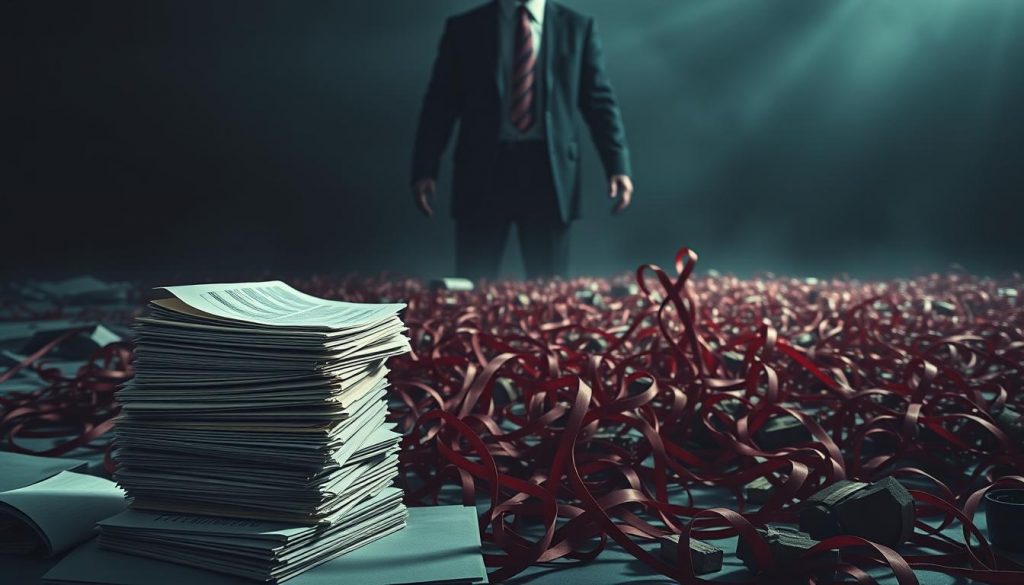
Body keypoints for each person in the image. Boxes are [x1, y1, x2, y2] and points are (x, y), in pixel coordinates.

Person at [411, 0, 633, 280]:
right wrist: (425, 168)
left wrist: (617, 165)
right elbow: (440, 104)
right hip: (483, 170)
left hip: (549, 174)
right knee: (473, 283)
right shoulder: (465, 28)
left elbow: (599, 102)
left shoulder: (578, 28)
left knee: (550, 288)